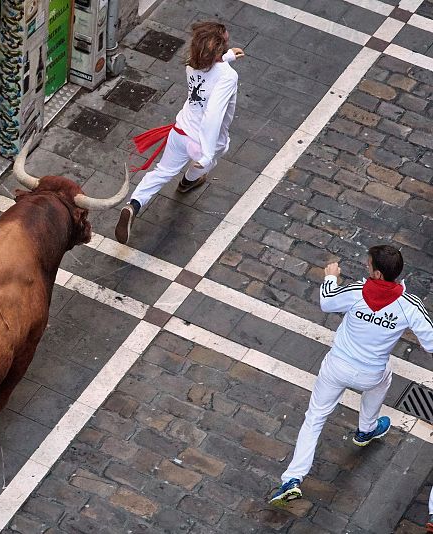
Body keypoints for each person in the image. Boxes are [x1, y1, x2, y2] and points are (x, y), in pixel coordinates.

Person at [270, 245, 433, 506]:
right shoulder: (410, 306)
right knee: (384, 379)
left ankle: (292, 479)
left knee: (315, 418)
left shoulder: (358, 291)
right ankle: (366, 429)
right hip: (372, 372)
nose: (366, 267)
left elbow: (327, 301)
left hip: (337, 367)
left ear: (378, 273)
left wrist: (331, 276)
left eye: (369, 265)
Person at [115, 21, 244, 245]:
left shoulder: (191, 65)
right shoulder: (228, 77)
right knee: (215, 155)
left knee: (162, 172)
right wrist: (206, 152)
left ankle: (133, 204)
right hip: (202, 141)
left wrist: (227, 57)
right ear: (217, 48)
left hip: (180, 130)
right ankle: (188, 181)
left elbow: (210, 71)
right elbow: (213, 115)